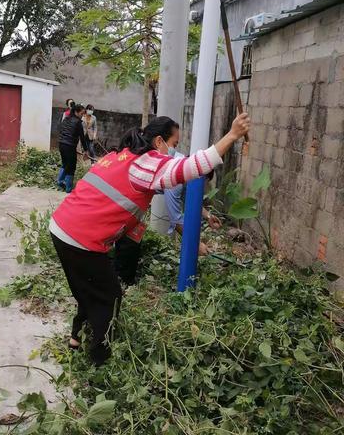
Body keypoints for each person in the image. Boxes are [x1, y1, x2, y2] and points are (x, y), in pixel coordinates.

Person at [49, 112, 250, 365]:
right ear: (158, 142)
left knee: (88, 288)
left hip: (63, 227)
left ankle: (76, 339)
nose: (173, 152)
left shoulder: (120, 155)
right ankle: (98, 361)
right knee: (110, 298)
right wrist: (232, 135)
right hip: (80, 238)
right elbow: (193, 167)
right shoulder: (146, 163)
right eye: (174, 144)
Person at [57, 104, 88, 193]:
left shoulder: (66, 119)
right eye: (81, 113)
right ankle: (68, 187)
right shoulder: (78, 122)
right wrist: (85, 150)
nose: (82, 115)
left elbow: (61, 130)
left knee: (65, 163)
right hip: (69, 145)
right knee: (71, 166)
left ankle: (60, 182)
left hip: (61, 144)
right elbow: (82, 137)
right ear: (76, 112)